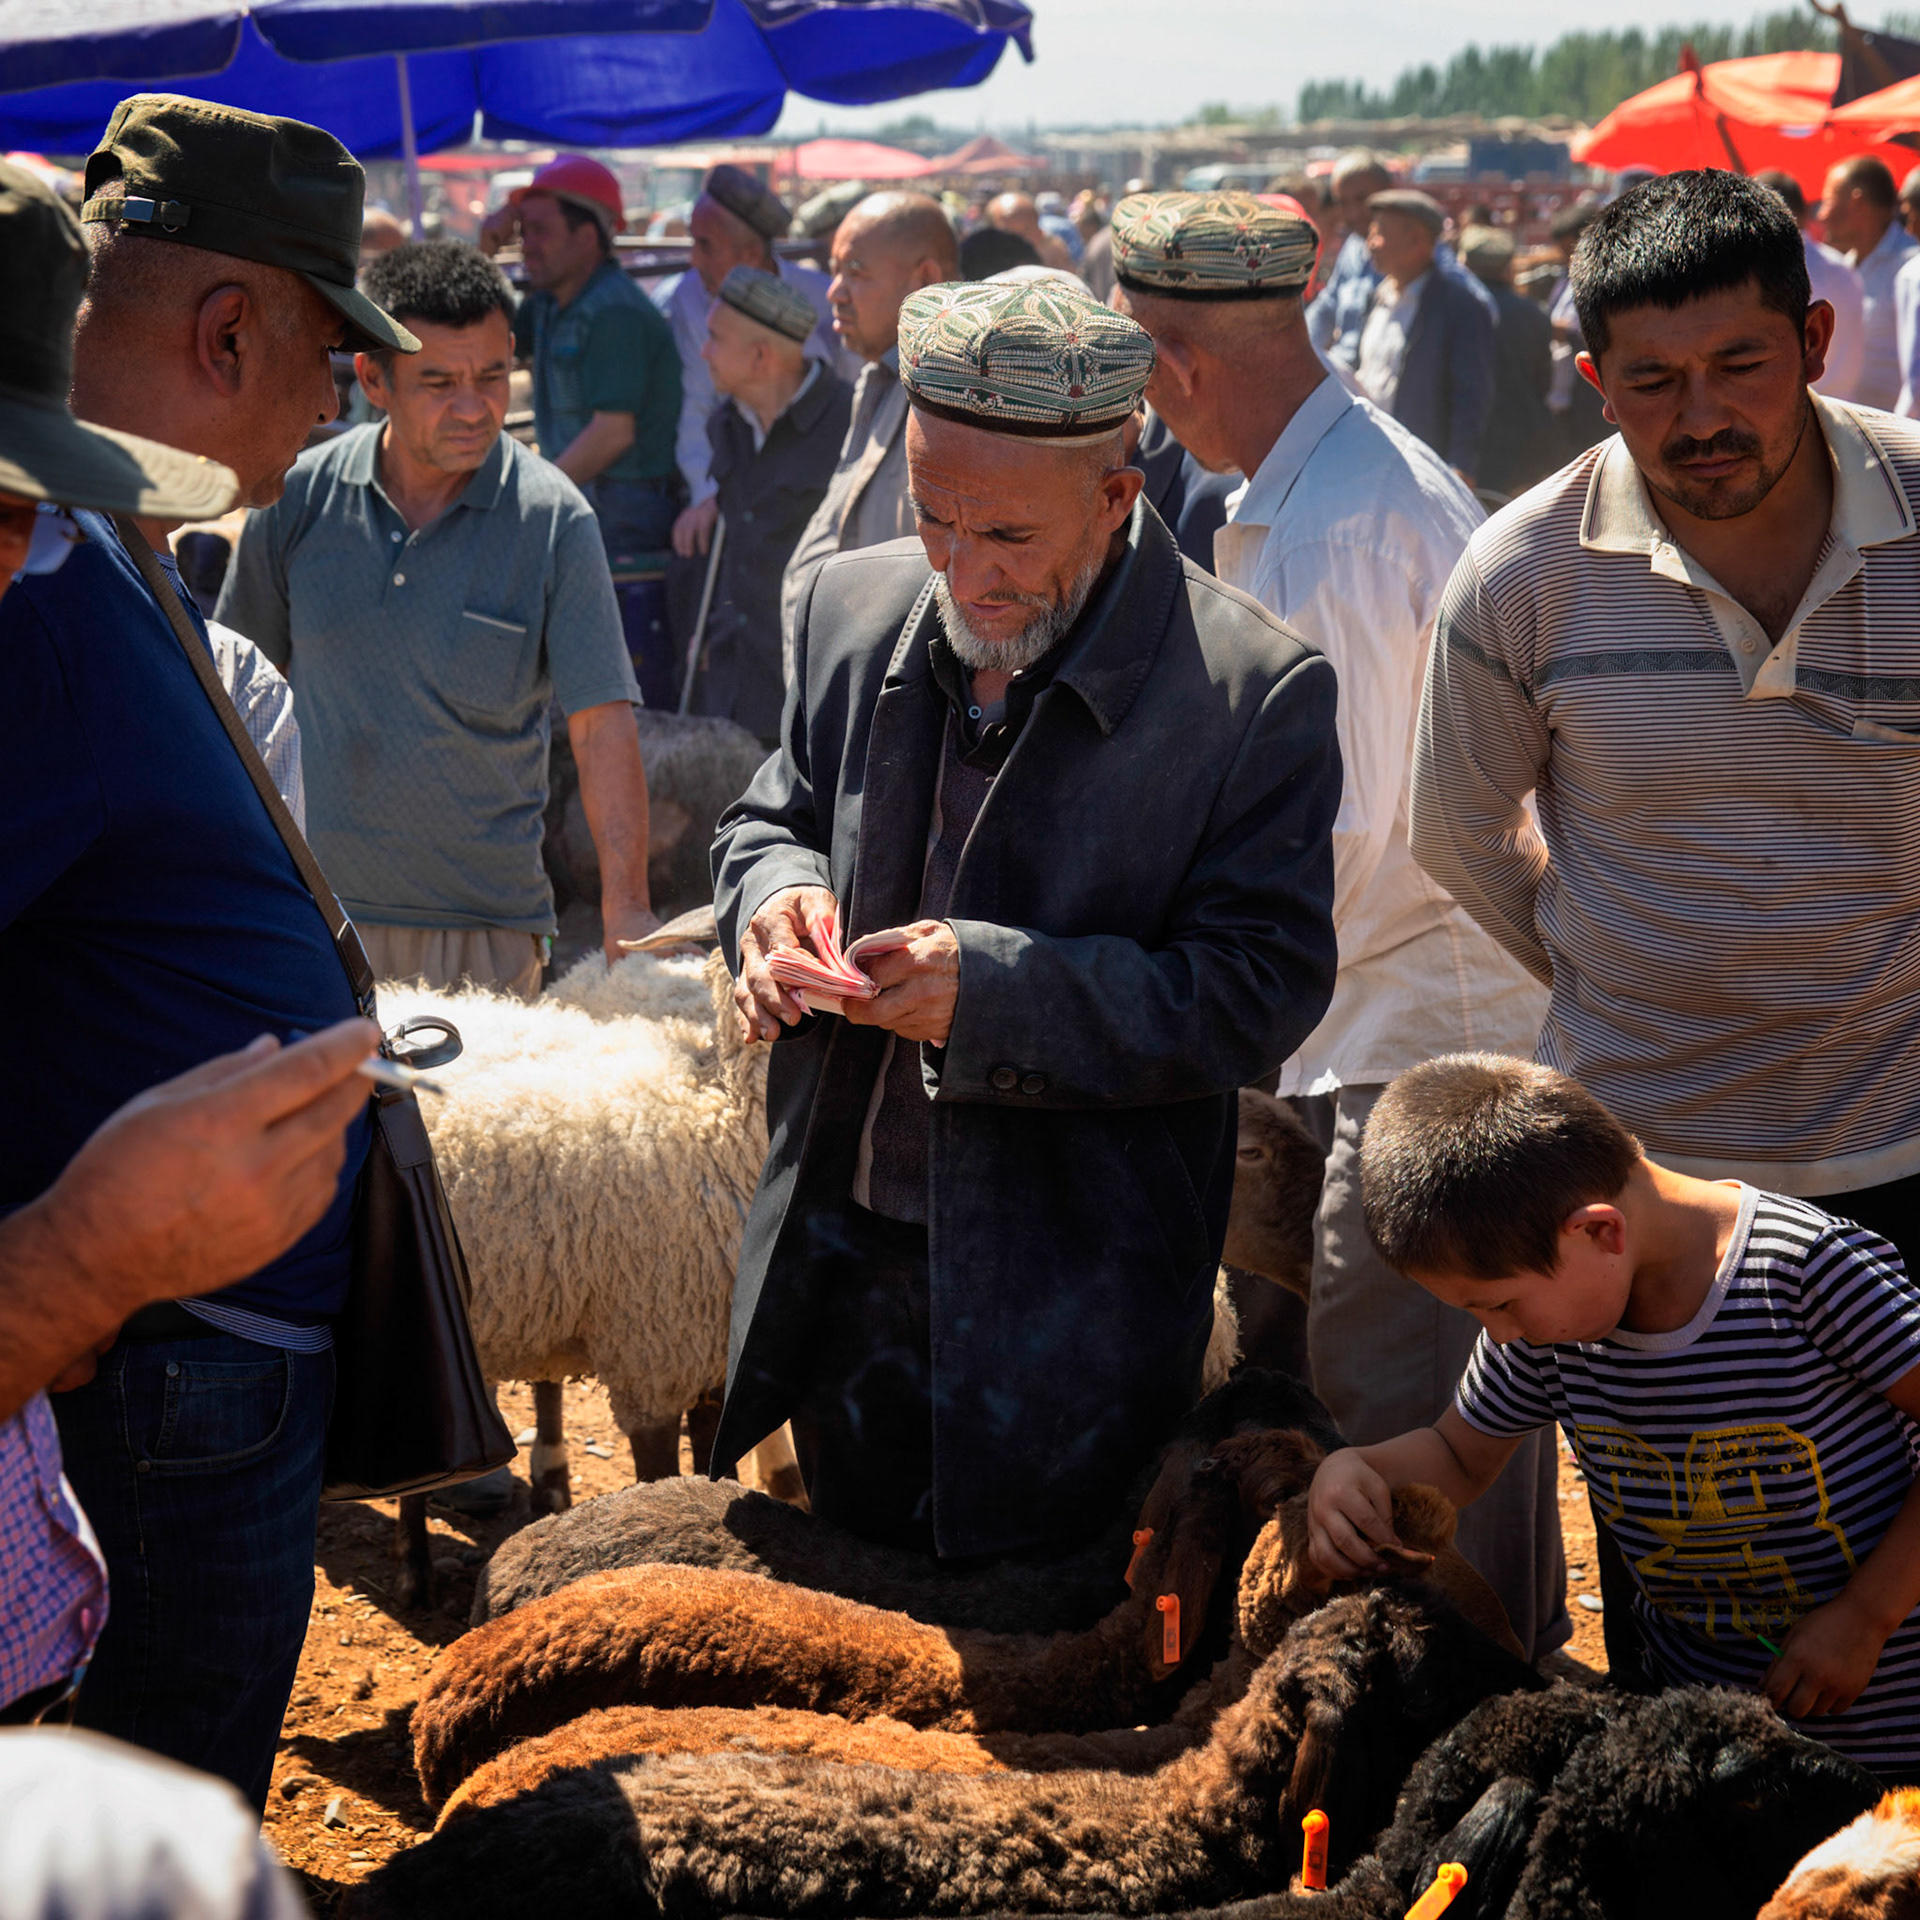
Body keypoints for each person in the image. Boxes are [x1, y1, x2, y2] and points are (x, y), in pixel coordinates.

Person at [710, 278, 1341, 1557]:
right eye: (931, 517)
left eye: (1005, 536)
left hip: (1080, 1302)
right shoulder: (852, 608)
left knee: (1054, 1668)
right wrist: (774, 901)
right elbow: (766, 814)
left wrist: (993, 993)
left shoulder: (1252, 694)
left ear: (1119, 497)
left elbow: (1261, 990)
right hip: (852, 1260)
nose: (960, 568)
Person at [0, 92, 419, 1807]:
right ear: (234, 328)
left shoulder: (100, 559)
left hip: (166, 1346)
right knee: (149, 1814)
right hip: (156, 1373)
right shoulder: (50, 600)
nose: (340, 401)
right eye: (333, 357)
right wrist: (66, 1266)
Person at [1111, 191, 1562, 1660]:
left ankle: (1478, 1707)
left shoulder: (1352, 526)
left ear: (1171, 364)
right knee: (1398, 1406)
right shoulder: (1323, 493)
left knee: (1421, 1428)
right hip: (1382, 1021)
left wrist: (1205, 970)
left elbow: (1361, 830)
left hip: (1420, 1041)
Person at [1412, 167, 1920, 1263]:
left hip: (1903, 1150)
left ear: (1816, 340)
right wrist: (1615, 964)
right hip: (1642, 1173)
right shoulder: (1521, 571)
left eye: (1740, 366)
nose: (1703, 418)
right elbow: (1458, 832)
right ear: (1596, 380)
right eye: (1653, 382)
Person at [1308, 1054, 1920, 1776]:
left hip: (1888, 1716)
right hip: (1707, 1726)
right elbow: (1457, 1455)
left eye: (1497, 1304)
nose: (1497, 1333)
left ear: (1600, 1232)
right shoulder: (1551, 1328)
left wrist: (1865, 1618)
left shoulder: (1808, 1272)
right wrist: (1353, 1467)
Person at [217, 240, 659, 995]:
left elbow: (602, 726)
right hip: (313, 919)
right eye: (438, 381)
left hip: (486, 936)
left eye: (491, 376)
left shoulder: (555, 520)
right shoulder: (295, 497)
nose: (474, 406)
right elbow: (232, 701)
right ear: (372, 379)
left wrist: (629, 912)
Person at [778, 191, 960, 668]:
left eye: (856, 273)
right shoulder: (879, 380)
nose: (834, 291)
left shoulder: (953, 399)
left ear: (926, 280)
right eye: (834, 270)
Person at [487, 155, 684, 567]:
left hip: (623, 506)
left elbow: (612, 434)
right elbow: (480, 339)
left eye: (540, 231)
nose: (527, 246)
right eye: (523, 231)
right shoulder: (548, 302)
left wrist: (533, 497)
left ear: (588, 237)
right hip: (592, 493)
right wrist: (486, 247)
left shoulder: (613, 311)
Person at [685, 266, 853, 742]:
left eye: (715, 338)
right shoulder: (727, 424)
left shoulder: (846, 424)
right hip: (732, 679)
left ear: (761, 356)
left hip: (804, 687)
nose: (703, 351)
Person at [657, 165, 842, 560]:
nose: (692, 259)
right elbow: (698, 402)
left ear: (751, 255)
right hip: (734, 472)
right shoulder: (691, 297)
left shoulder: (824, 298)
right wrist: (709, 497)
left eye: (705, 245)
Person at [1355, 188, 1495, 487]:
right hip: (1367, 461)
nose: (1370, 244)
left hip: (1420, 471)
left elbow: (1471, 394)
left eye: (1379, 233)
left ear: (1416, 239)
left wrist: (1461, 465)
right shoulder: (1377, 299)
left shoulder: (1459, 307)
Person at [1456, 223, 1559, 498]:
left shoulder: (1452, 311)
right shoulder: (1534, 314)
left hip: (1466, 443)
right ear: (1507, 268)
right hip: (1522, 441)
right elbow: (1544, 380)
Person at [1756, 168, 1866, 403]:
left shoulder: (1768, 271)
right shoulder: (1842, 266)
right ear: (1805, 213)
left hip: (1804, 412)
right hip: (1848, 407)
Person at [1819, 153, 1916, 411]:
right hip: (1852, 431)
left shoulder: (1912, 268)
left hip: (1899, 439)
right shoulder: (1841, 269)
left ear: (1857, 203)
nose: (1822, 215)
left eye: (1828, 202)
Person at [1307, 148, 1392, 365]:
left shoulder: (1411, 247)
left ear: (1389, 192)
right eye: (1343, 203)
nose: (1353, 213)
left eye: (1362, 199)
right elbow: (1327, 306)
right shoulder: (1352, 248)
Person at [1543, 199, 1609, 459]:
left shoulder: (1607, 281)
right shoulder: (1564, 278)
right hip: (1564, 394)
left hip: (1592, 400)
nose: (1565, 256)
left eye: (1568, 249)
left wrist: (1561, 332)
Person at [984, 191, 1075, 273]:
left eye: (1027, 230)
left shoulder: (1055, 254)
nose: (1019, 242)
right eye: (1009, 234)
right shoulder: (984, 264)